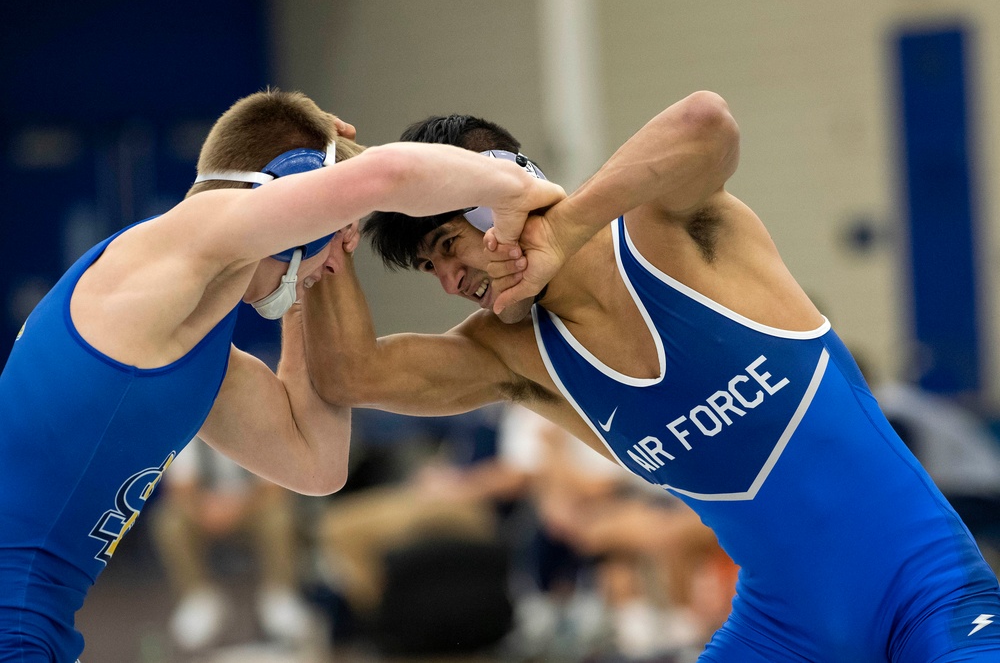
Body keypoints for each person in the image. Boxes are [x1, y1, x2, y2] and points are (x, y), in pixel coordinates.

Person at [305, 91, 1000, 661]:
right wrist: (316, 211)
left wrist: (562, 226)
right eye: (433, 269)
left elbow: (707, 120)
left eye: (450, 246)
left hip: (928, 593)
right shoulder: (513, 355)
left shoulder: (667, 229)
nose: (452, 281)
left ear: (499, 201)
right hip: (784, 632)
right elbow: (347, 372)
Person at [0, 88, 565, 662]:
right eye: (337, 232)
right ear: (294, 194)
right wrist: (526, 193)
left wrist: (308, 282)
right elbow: (390, 172)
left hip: (38, 624)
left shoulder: (183, 343)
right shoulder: (166, 248)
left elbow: (315, 465)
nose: (337, 257)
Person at [150, 437, 313, 652]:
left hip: (252, 506)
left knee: (280, 516)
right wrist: (206, 510)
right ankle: (197, 598)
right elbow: (180, 488)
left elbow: (273, 486)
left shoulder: (259, 428)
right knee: (169, 521)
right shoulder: (191, 433)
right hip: (204, 510)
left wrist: (235, 507)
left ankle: (280, 595)